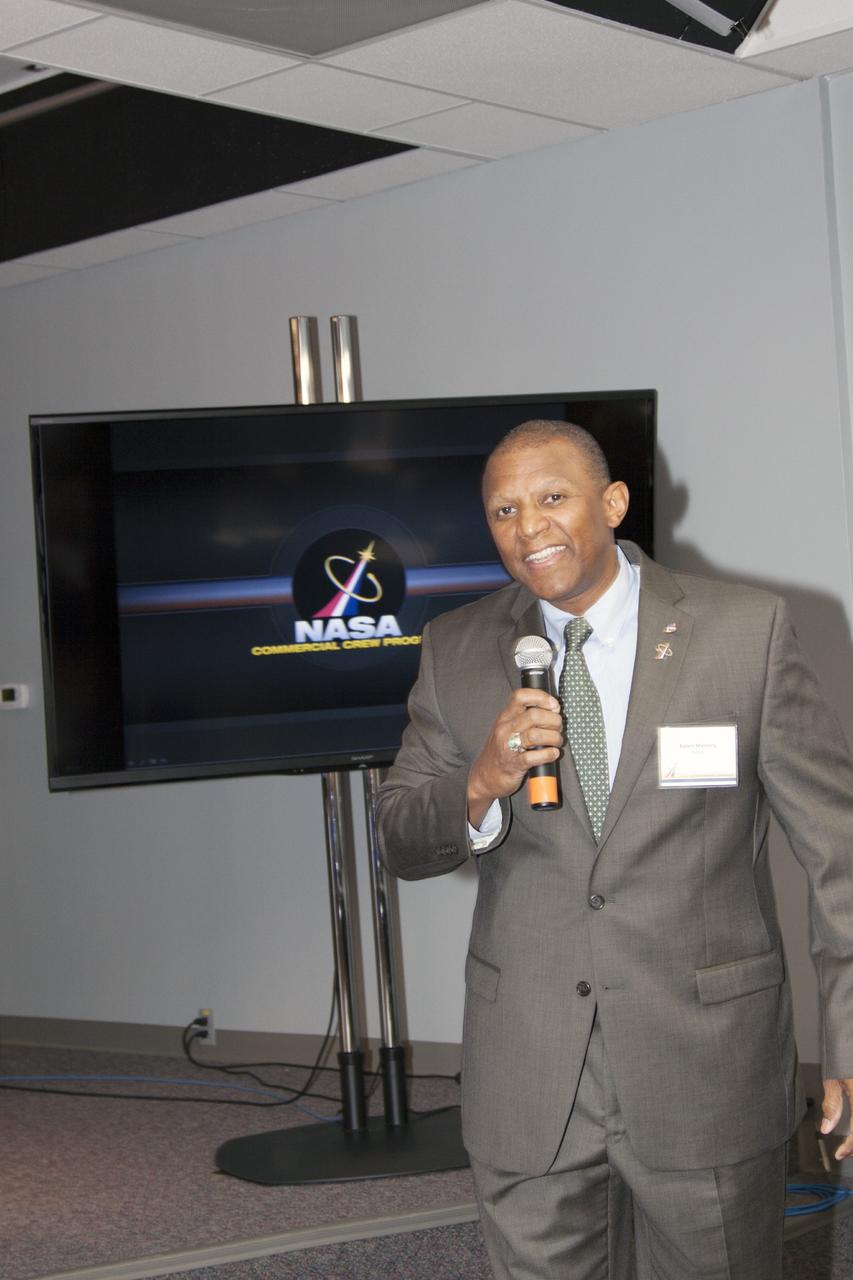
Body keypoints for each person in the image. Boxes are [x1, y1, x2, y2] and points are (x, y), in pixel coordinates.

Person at [376, 419, 853, 1280]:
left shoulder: (744, 632)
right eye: (504, 511)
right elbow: (401, 838)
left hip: (703, 1066)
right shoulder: (455, 648)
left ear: (613, 502)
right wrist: (480, 781)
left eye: (551, 499)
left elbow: (839, 856)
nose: (528, 529)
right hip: (529, 1074)